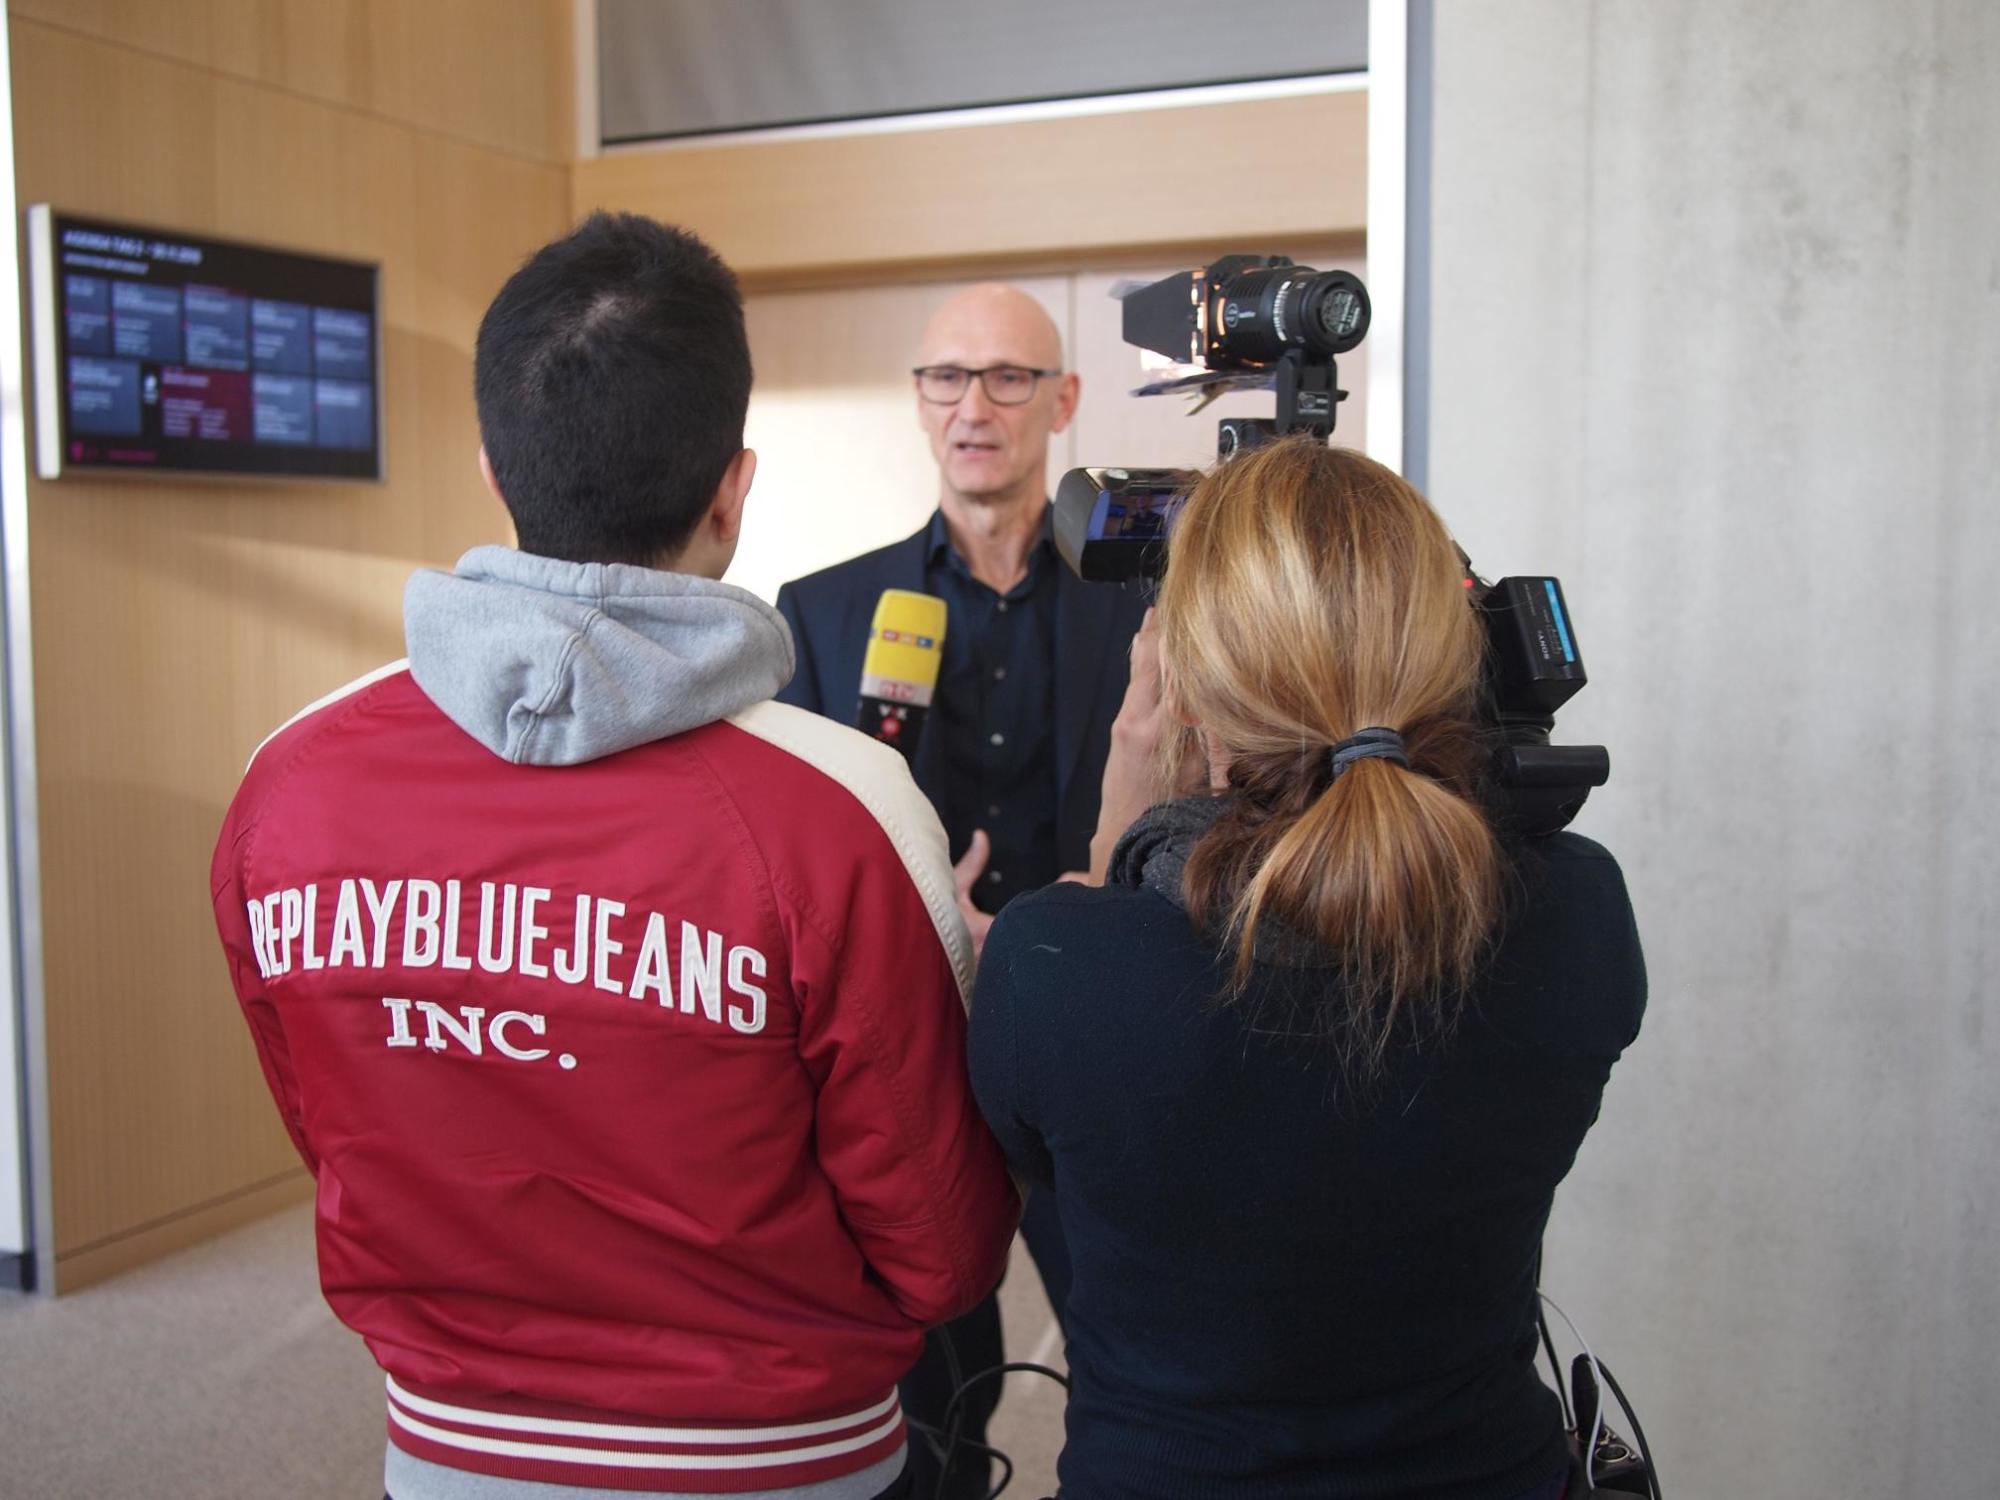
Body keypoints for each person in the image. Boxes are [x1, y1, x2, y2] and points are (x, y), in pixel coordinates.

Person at [209, 214, 1017, 1500]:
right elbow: (944, 1249)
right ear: (732, 489)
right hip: (785, 1458)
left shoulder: (286, 785)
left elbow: (341, 1142)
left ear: (495, 468)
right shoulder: (845, 809)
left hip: (445, 1449)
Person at [969, 437, 1648, 1499]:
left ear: (1185, 692)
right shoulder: (1580, 911)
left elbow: (1056, 1155)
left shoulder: (1059, 967)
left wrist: (1114, 843)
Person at [774, 284, 1147, 1499]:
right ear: (918, 398)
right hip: (905, 1048)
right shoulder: (824, 612)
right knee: (931, 1386)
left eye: (1006, 377)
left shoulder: (1145, 602)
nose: (971, 407)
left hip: (1095, 1034)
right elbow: (789, 849)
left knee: (1132, 1357)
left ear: (1062, 401)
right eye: (945, 376)